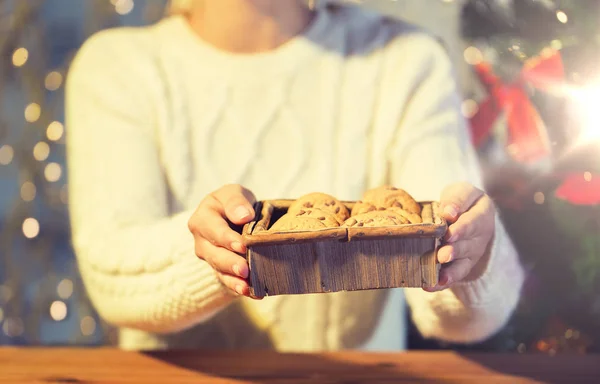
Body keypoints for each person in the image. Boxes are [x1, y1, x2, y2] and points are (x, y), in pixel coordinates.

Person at [65, 0, 525, 351]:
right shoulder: (119, 68)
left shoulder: (404, 61)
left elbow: (460, 311)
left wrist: (472, 255)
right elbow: (112, 276)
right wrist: (213, 253)